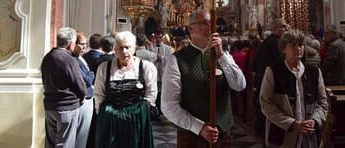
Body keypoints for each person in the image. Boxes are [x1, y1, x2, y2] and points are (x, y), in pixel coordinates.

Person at [161, 9, 246, 147]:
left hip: (223, 134)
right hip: (191, 137)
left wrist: (221, 56)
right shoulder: (177, 60)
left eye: (213, 23)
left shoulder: (224, 56)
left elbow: (240, 85)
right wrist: (199, 127)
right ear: (190, 29)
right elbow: (168, 105)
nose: (212, 28)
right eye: (204, 23)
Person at [260, 30, 328, 148]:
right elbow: (266, 103)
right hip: (283, 136)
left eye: (300, 45)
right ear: (283, 49)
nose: (298, 48)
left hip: (309, 136)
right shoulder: (273, 72)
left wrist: (315, 120)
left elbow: (322, 103)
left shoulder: (314, 72)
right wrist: (291, 123)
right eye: (293, 46)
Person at [94, 31, 157, 147]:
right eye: (120, 48)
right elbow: (99, 94)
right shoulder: (104, 68)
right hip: (111, 121)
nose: (124, 52)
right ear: (115, 49)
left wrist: (140, 112)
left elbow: (151, 94)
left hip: (136, 121)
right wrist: (105, 115)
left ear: (134, 48)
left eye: (127, 47)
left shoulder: (146, 67)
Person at [41, 27, 87, 148]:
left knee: (50, 142)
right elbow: (79, 84)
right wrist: (82, 96)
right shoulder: (68, 59)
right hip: (66, 107)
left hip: (50, 106)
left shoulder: (47, 57)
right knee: (65, 143)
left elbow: (44, 80)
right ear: (70, 44)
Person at [252, 18, 289, 136]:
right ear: (275, 29)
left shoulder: (265, 43)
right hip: (273, 82)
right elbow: (282, 65)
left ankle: (261, 133)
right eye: (283, 27)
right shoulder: (278, 44)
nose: (286, 29)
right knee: (271, 110)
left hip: (262, 81)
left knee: (263, 109)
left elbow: (252, 65)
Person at [72, 32, 94, 148]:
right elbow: (88, 80)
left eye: (86, 44)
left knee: (83, 137)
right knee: (79, 136)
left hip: (87, 99)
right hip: (82, 101)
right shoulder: (73, 59)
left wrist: (90, 75)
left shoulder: (81, 57)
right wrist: (91, 74)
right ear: (73, 44)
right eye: (81, 44)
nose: (84, 47)